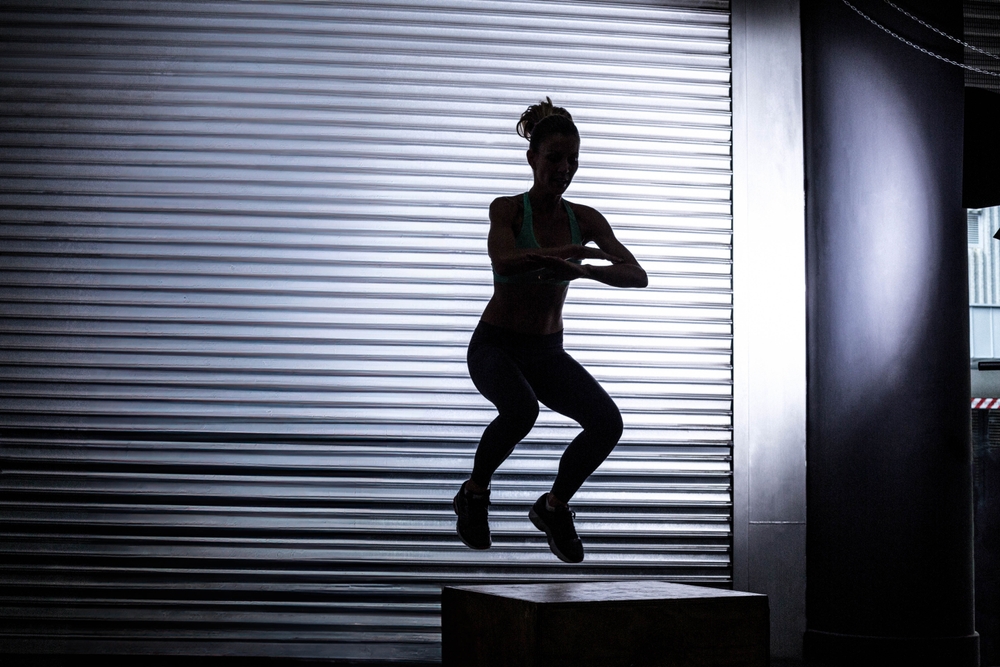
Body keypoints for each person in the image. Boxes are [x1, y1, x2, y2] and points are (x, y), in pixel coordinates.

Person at [453, 98, 648, 563]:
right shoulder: (508, 211)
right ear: (532, 159)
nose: (565, 168)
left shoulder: (586, 219)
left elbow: (636, 274)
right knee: (520, 411)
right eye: (555, 158)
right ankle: (474, 494)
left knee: (606, 423)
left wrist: (584, 271)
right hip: (495, 346)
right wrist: (565, 254)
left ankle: (553, 507)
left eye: (573, 160)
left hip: (546, 352)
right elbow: (503, 258)